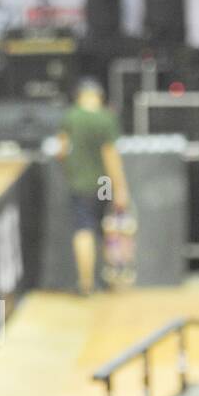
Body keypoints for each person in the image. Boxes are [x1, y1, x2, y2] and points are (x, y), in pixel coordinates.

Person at [56, 78, 131, 295]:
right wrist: (120, 189)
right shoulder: (106, 118)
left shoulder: (70, 117)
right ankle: (111, 278)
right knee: (108, 228)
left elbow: (61, 150)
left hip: (80, 182)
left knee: (84, 229)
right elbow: (111, 156)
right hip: (103, 183)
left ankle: (86, 283)